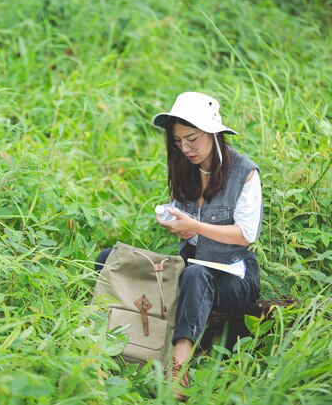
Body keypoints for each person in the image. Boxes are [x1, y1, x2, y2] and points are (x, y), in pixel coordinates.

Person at [95, 92, 262, 402]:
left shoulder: (244, 173)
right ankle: (106, 340)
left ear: (213, 132)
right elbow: (187, 235)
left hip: (234, 275)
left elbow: (245, 235)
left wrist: (194, 227)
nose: (185, 148)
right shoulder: (185, 167)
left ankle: (178, 369)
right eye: (178, 141)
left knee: (196, 275)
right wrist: (175, 223)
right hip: (189, 267)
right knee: (109, 259)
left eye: (192, 139)